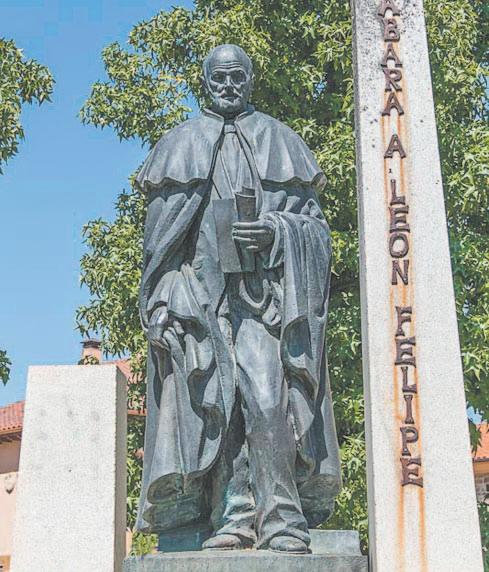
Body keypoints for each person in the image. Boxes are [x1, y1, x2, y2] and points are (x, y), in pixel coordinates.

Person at [135, 43, 341, 554]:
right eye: (219, 78)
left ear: (250, 80)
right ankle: (232, 515)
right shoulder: (179, 144)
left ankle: (283, 519)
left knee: (268, 400)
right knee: (218, 408)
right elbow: (159, 246)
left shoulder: (281, 140)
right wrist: (160, 301)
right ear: (205, 83)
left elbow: (317, 232)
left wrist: (277, 231)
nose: (228, 86)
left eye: (237, 77)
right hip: (200, 301)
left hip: (262, 301)